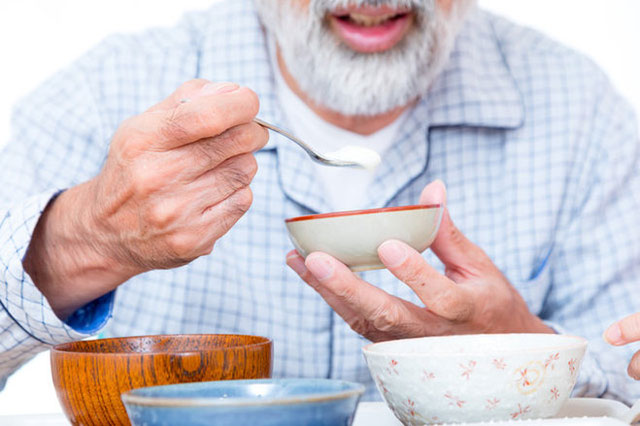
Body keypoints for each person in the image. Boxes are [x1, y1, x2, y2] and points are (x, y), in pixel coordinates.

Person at [0, 0, 639, 402]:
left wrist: (526, 347)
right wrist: (82, 242)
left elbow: (625, 361)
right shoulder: (105, 92)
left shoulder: (578, 107)